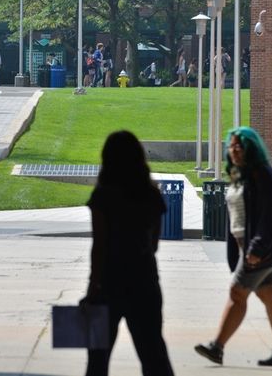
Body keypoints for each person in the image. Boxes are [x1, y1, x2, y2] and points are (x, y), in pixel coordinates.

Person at [195, 126, 272, 368]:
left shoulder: (262, 175)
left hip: (258, 249)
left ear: (251, 148)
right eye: (232, 147)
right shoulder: (241, 174)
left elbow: (269, 215)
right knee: (271, 297)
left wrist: (256, 249)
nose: (235, 151)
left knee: (237, 293)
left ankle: (217, 347)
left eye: (240, 147)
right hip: (248, 248)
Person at [82, 130, 175, 376]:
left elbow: (99, 246)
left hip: (108, 283)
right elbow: (154, 244)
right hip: (144, 281)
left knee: (97, 361)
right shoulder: (151, 194)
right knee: (154, 356)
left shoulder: (103, 195)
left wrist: (92, 288)